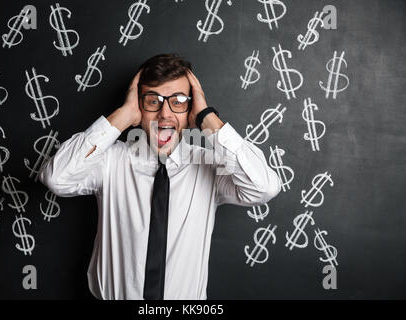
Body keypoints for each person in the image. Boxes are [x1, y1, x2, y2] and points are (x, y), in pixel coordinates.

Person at [39, 53, 281, 300]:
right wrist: (122, 116)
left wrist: (206, 116)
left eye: (177, 102)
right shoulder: (110, 161)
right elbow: (56, 178)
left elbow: (264, 188)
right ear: (138, 107)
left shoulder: (208, 165)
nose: (165, 114)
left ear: (190, 110)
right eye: (153, 101)